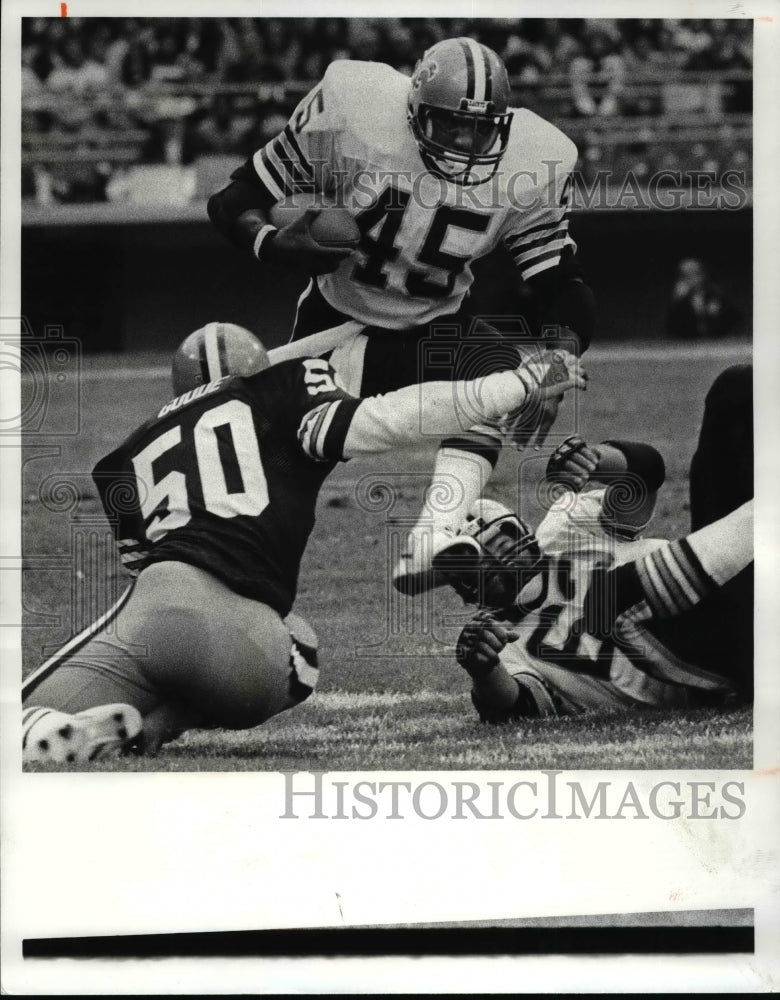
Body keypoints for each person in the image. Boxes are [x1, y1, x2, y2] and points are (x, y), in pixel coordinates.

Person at [22, 322, 586, 764]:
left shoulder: (122, 457)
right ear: (260, 365)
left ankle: (59, 727)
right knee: (303, 647)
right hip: (261, 660)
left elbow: (142, 563)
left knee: (22, 720)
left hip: (155, 615)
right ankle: (157, 728)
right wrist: (518, 380)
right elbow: (387, 419)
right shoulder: (280, 385)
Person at [207, 36, 597, 596]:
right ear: (414, 115)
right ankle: (220, 572)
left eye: (481, 128)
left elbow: (562, 281)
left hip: (433, 323)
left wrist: (557, 364)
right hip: (333, 320)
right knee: (278, 461)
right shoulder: (354, 111)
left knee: (502, 378)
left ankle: (433, 538)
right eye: (449, 126)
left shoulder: (533, 159)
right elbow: (233, 199)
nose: (465, 143)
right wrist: (271, 243)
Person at [441, 368, 753, 720]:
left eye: (490, 547)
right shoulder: (507, 646)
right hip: (725, 653)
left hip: (731, 580)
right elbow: (517, 707)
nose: (488, 566)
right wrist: (482, 669)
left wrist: (595, 461)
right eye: (468, 569)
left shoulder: (564, 528)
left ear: (516, 530)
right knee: (609, 597)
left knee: (737, 388)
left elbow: (644, 472)